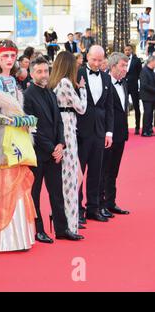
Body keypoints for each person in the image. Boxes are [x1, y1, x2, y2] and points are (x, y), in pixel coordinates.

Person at [0, 40, 38, 251]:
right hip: (2, 139)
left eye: (12, 56)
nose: (9, 60)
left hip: (18, 138)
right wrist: (21, 121)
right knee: (5, 186)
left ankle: (19, 238)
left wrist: (22, 121)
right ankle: (5, 240)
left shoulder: (12, 81)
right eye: (5, 56)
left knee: (18, 186)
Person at [24, 56, 84, 243]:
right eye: (39, 71)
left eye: (46, 71)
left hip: (54, 151)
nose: (43, 74)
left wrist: (60, 144)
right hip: (38, 153)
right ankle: (38, 230)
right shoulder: (28, 96)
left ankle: (62, 229)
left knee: (57, 193)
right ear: (32, 73)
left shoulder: (50, 92)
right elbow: (34, 128)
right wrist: (52, 148)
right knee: (35, 194)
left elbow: (58, 122)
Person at [48, 51, 87, 234]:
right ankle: (68, 224)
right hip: (67, 133)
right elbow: (81, 108)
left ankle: (63, 218)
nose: (78, 67)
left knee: (75, 176)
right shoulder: (64, 82)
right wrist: (83, 89)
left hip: (67, 130)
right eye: (76, 64)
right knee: (69, 179)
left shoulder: (56, 82)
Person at [76, 45, 114, 223]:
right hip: (81, 131)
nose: (97, 63)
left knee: (96, 172)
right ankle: (77, 209)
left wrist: (109, 132)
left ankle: (93, 207)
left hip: (100, 132)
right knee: (79, 173)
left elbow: (109, 107)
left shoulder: (106, 78)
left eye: (100, 60)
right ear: (87, 57)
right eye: (94, 59)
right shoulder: (78, 74)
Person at [100, 52, 131, 216]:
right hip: (107, 134)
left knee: (113, 171)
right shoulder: (104, 82)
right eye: (122, 66)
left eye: (126, 66)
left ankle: (111, 203)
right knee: (103, 170)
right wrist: (106, 132)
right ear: (112, 67)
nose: (125, 69)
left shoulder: (124, 83)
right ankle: (101, 204)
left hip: (121, 134)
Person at [124, 44, 142, 135]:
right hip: (124, 86)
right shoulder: (121, 60)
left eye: (129, 50)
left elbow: (140, 73)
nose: (127, 51)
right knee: (123, 107)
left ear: (131, 50)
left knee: (136, 107)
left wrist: (138, 85)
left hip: (134, 86)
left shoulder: (137, 60)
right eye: (125, 50)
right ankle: (124, 128)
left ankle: (137, 127)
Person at [139, 55, 155, 137]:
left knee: (150, 114)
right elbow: (144, 85)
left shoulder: (151, 71)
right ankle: (145, 131)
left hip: (152, 96)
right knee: (147, 113)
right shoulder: (144, 71)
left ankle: (149, 129)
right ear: (151, 61)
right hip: (146, 96)